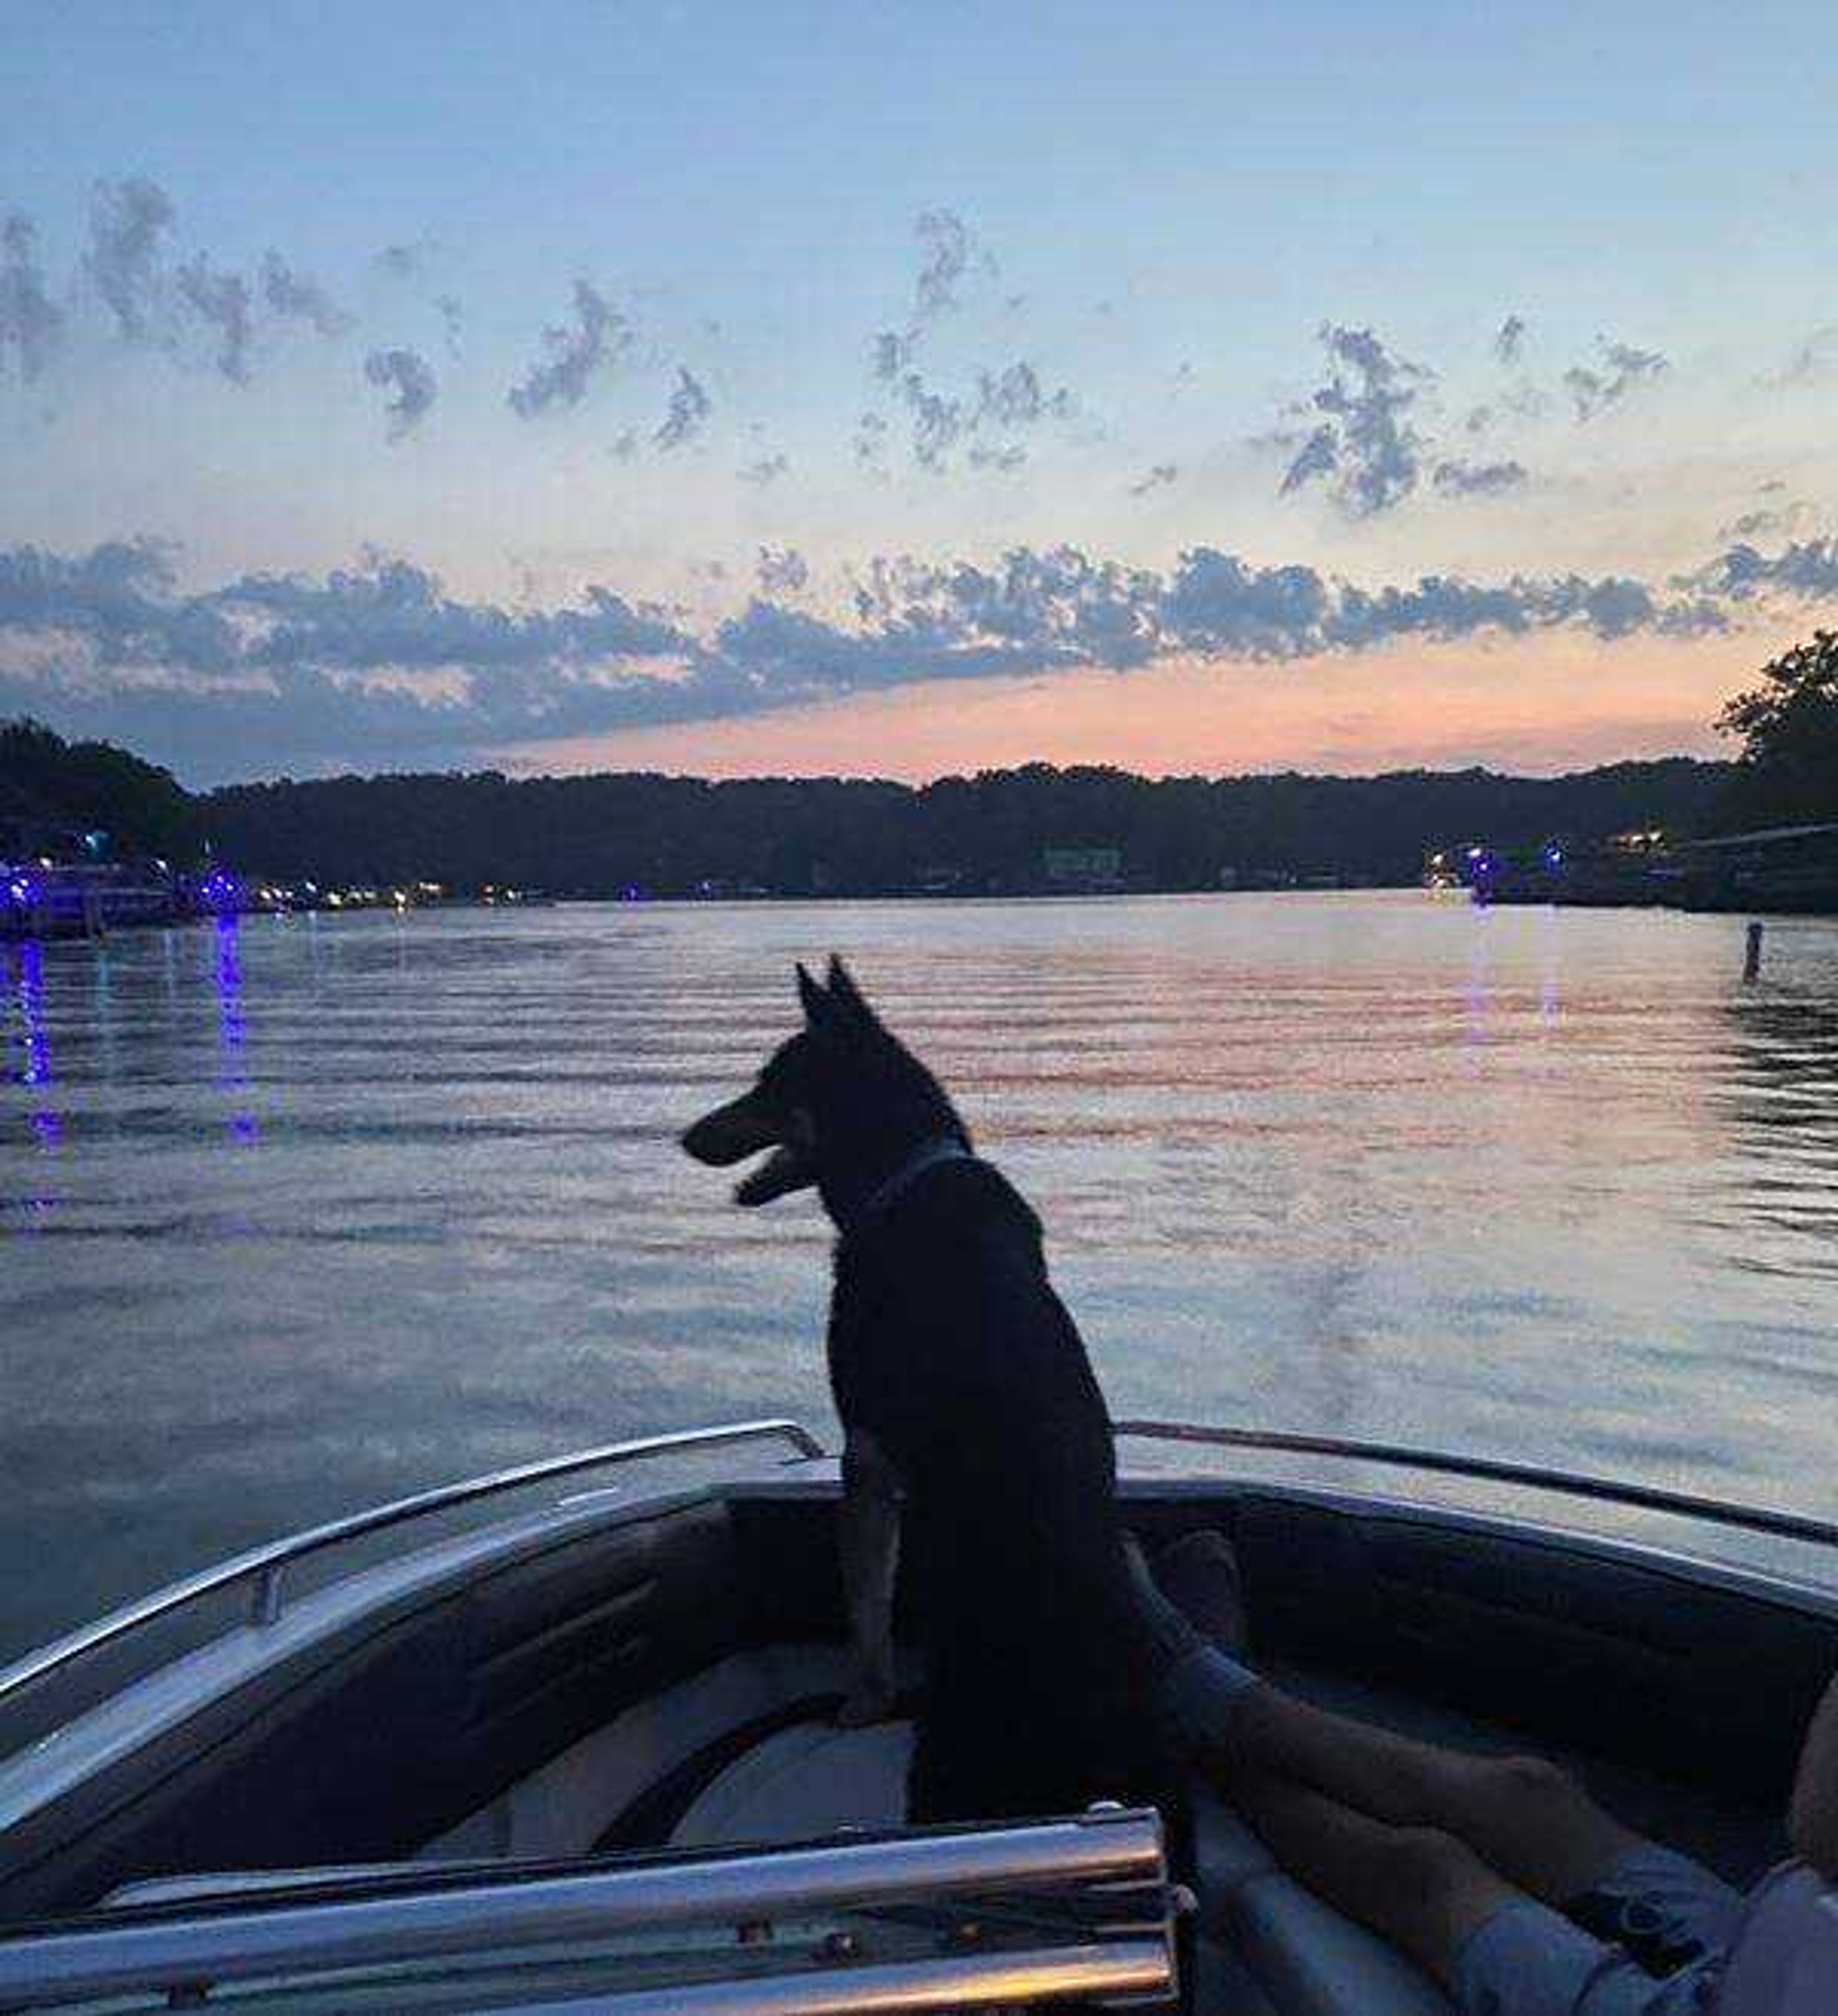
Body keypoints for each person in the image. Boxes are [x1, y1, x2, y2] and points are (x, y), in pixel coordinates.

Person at [1133, 1534, 1838, 2015]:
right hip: (1779, 1947)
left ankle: (1203, 1723)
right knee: (1530, 1794)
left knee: (1429, 1876)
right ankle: (1222, 1701)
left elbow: (1820, 1827)